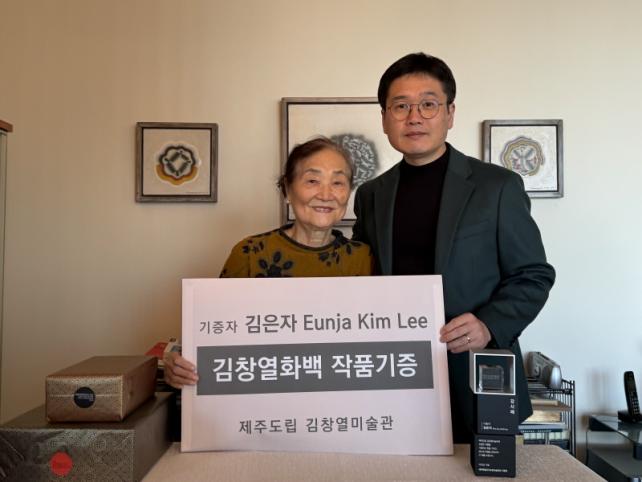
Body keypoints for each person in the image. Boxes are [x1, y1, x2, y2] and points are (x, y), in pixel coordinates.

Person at [352, 52, 556, 443]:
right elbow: (362, 274)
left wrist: (488, 324)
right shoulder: (372, 194)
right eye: (401, 106)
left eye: (428, 104)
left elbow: (533, 275)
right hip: (395, 375)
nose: (414, 117)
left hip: (476, 376)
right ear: (384, 118)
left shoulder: (497, 187)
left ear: (450, 113)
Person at [165, 137, 373, 388]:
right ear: (287, 189)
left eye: (338, 182)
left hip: (339, 393)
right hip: (264, 395)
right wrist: (179, 363)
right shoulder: (250, 253)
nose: (326, 194)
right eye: (312, 181)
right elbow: (212, 333)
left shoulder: (364, 258)